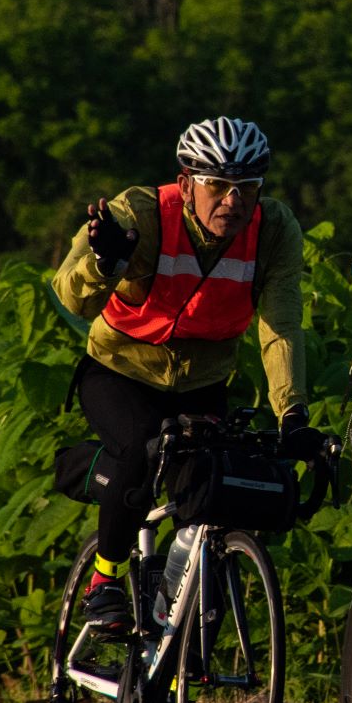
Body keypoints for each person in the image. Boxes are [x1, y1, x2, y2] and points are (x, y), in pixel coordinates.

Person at [50, 116, 317, 630]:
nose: (233, 202)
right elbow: (72, 298)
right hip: (119, 371)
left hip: (201, 384)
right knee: (144, 450)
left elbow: (281, 326)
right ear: (188, 182)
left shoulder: (274, 230)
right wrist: (105, 264)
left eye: (247, 189)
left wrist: (293, 412)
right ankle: (105, 581)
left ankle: (174, 661)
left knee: (216, 493)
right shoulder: (139, 215)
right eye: (218, 186)